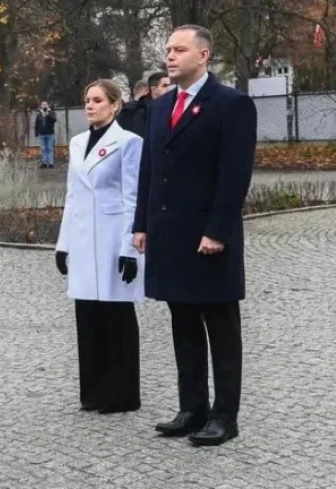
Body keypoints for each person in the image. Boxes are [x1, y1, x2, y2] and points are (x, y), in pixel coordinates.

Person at [131, 24, 257, 446]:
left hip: (208, 238)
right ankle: (192, 408)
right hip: (169, 236)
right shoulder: (160, 106)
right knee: (182, 324)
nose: (170, 56)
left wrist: (218, 230)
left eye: (179, 49)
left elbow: (234, 174)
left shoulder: (231, 104)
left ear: (203, 56)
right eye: (167, 49)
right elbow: (150, 170)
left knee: (220, 329)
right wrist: (142, 224)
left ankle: (225, 416)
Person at [55, 79, 145, 414]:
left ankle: (122, 394)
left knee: (116, 316)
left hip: (111, 237)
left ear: (115, 105)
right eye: (86, 100)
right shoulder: (78, 143)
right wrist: (62, 244)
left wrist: (130, 249)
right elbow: (72, 195)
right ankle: (92, 390)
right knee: (88, 317)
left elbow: (133, 197)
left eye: (97, 100)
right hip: (81, 237)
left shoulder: (129, 142)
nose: (90, 106)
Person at [116, 72, 171, 137]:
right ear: (153, 89)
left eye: (170, 85)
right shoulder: (139, 111)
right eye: (165, 86)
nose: (169, 89)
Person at [35, 100, 57, 168]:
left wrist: (48, 113)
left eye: (45, 104)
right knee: (43, 149)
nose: (44, 106)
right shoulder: (39, 114)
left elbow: (54, 120)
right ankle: (44, 163)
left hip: (50, 134)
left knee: (50, 148)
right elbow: (37, 124)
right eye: (43, 104)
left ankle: (51, 163)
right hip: (41, 134)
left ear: (47, 105)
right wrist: (36, 132)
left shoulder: (51, 113)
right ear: (41, 106)